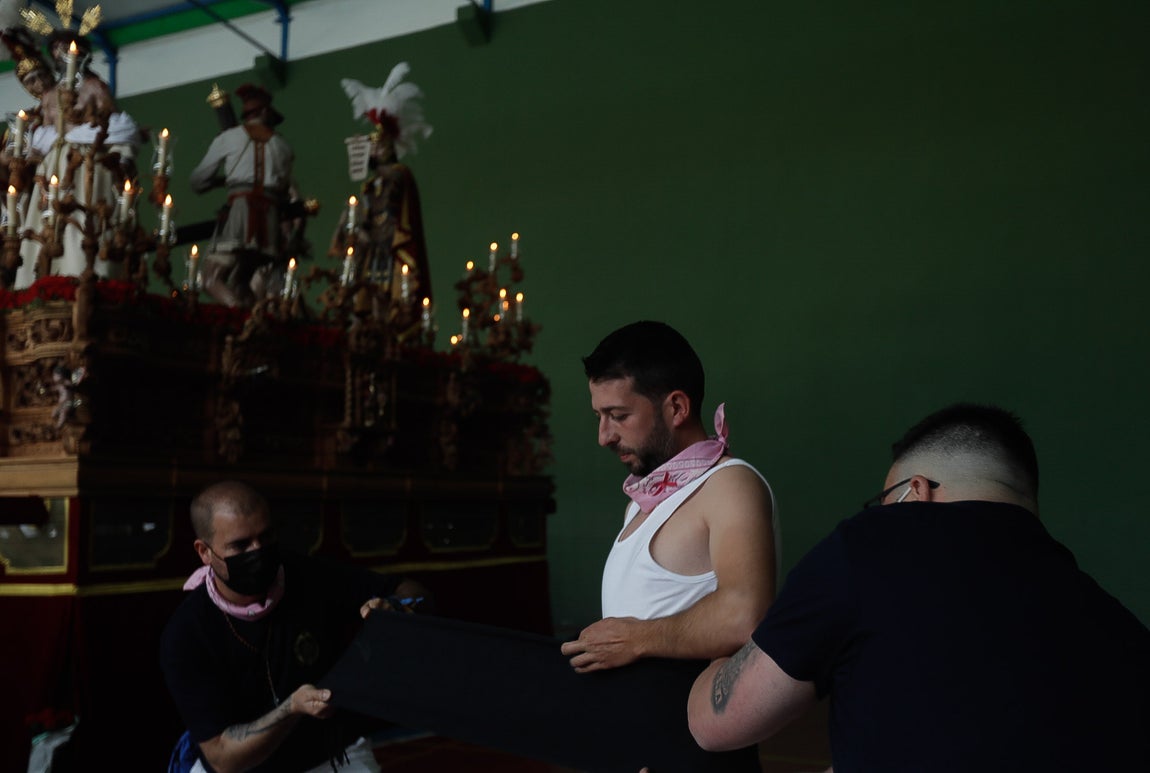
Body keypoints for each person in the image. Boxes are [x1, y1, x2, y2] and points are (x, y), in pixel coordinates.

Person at [688, 403, 1150, 770]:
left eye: (886, 500)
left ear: (917, 491)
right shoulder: (1122, 629)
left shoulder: (873, 542)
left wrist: (721, 642)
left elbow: (716, 724)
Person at [160, 480, 425, 772]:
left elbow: (408, 588)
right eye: (240, 545)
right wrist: (292, 708)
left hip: (326, 754)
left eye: (266, 536)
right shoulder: (187, 633)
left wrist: (397, 609)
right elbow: (223, 758)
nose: (257, 551)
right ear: (204, 552)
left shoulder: (305, 574)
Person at [561, 320, 779, 672]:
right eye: (599, 417)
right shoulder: (638, 505)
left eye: (618, 416)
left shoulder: (729, 484)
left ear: (677, 407)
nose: (604, 436)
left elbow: (745, 615)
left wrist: (637, 639)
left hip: (685, 727)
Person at [190, 84, 297, 307]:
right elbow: (284, 188)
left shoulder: (229, 138)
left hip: (241, 212)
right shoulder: (284, 146)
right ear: (266, 113)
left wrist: (223, 181)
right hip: (269, 221)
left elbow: (198, 182)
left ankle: (239, 317)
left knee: (210, 279)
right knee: (241, 283)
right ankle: (253, 319)